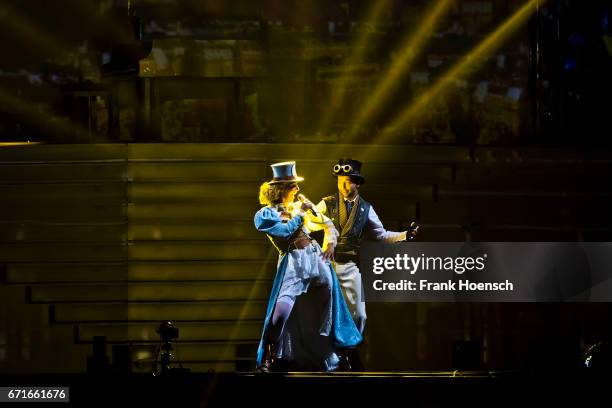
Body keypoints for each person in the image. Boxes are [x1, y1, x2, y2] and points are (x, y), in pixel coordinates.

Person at [254, 161, 362, 372]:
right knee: (282, 308)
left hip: (315, 256)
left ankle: (339, 352)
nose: (297, 189)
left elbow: (327, 223)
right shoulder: (264, 215)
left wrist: (330, 243)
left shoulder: (297, 207)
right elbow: (284, 232)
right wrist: (302, 214)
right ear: (281, 188)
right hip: (293, 261)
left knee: (331, 302)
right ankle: (269, 355)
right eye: (293, 185)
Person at [317, 158, 418, 335]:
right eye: (340, 182)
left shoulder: (365, 208)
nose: (343, 187)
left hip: (349, 266)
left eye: (347, 183)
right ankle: (330, 355)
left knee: (360, 315)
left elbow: (382, 234)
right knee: (326, 315)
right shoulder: (327, 203)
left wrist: (405, 235)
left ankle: (350, 349)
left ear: (357, 184)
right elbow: (309, 220)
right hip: (327, 265)